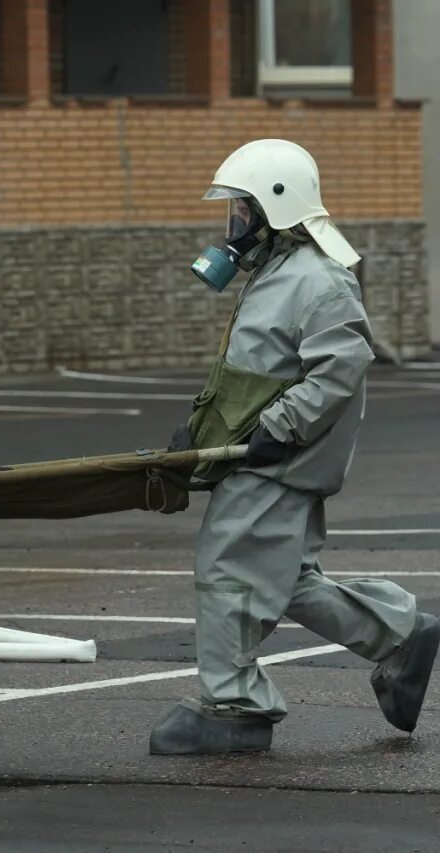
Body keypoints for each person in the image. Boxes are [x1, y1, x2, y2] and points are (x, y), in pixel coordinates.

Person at [150, 139, 438, 755]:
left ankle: (233, 708)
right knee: (287, 578)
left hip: (277, 462)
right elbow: (255, 372)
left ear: (275, 209)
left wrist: (277, 429)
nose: (232, 226)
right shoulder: (276, 274)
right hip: (262, 456)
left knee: (227, 568)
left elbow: (340, 367)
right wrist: (199, 436)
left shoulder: (317, 280)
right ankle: (400, 635)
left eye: (241, 211)